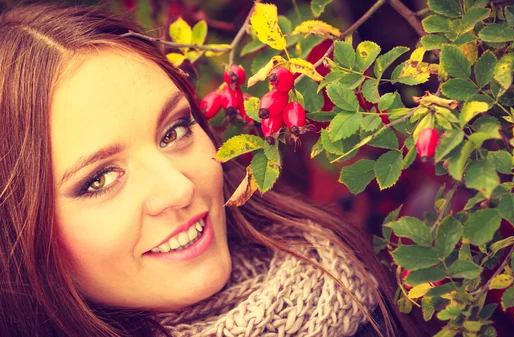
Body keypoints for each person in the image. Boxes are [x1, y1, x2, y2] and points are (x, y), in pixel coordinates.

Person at [0, 3, 434, 336]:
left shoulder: (349, 283)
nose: (178, 188)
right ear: (13, 236)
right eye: (100, 179)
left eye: (174, 131)